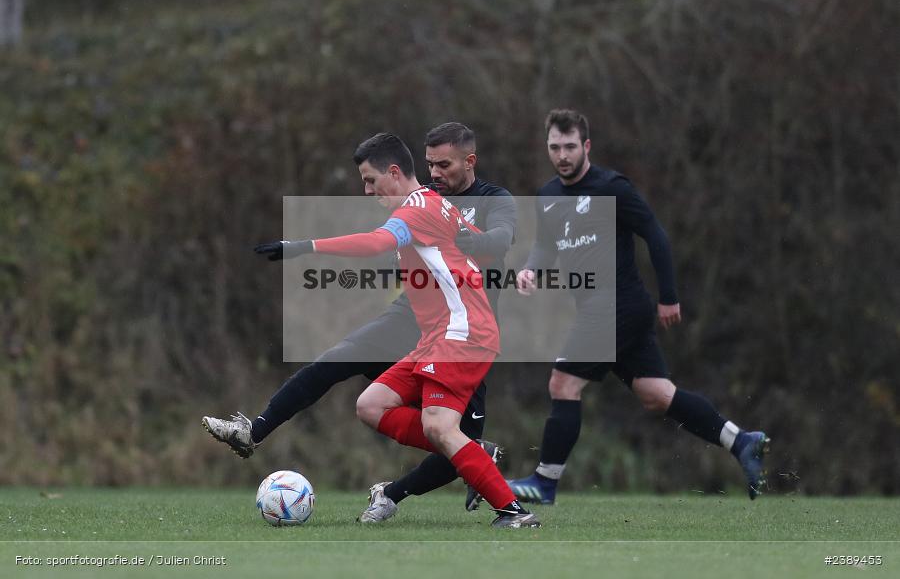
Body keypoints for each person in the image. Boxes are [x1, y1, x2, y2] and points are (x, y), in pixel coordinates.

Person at [202, 124, 525, 525]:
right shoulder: (436, 202)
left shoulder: (440, 206)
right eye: (430, 164)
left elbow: (381, 242)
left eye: (371, 181)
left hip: (460, 332)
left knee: (444, 432)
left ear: (394, 172)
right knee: (369, 402)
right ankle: (254, 432)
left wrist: (304, 246)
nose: (367, 191)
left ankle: (502, 506)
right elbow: (442, 244)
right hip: (429, 328)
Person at [506, 109, 769, 505]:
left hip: (617, 304)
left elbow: (655, 235)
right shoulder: (547, 196)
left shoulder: (612, 187)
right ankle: (741, 441)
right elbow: (546, 246)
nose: (562, 155)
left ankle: (544, 482)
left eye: (570, 146)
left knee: (562, 382)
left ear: (586, 146)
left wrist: (669, 296)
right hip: (603, 310)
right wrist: (531, 270)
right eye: (555, 147)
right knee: (656, 394)